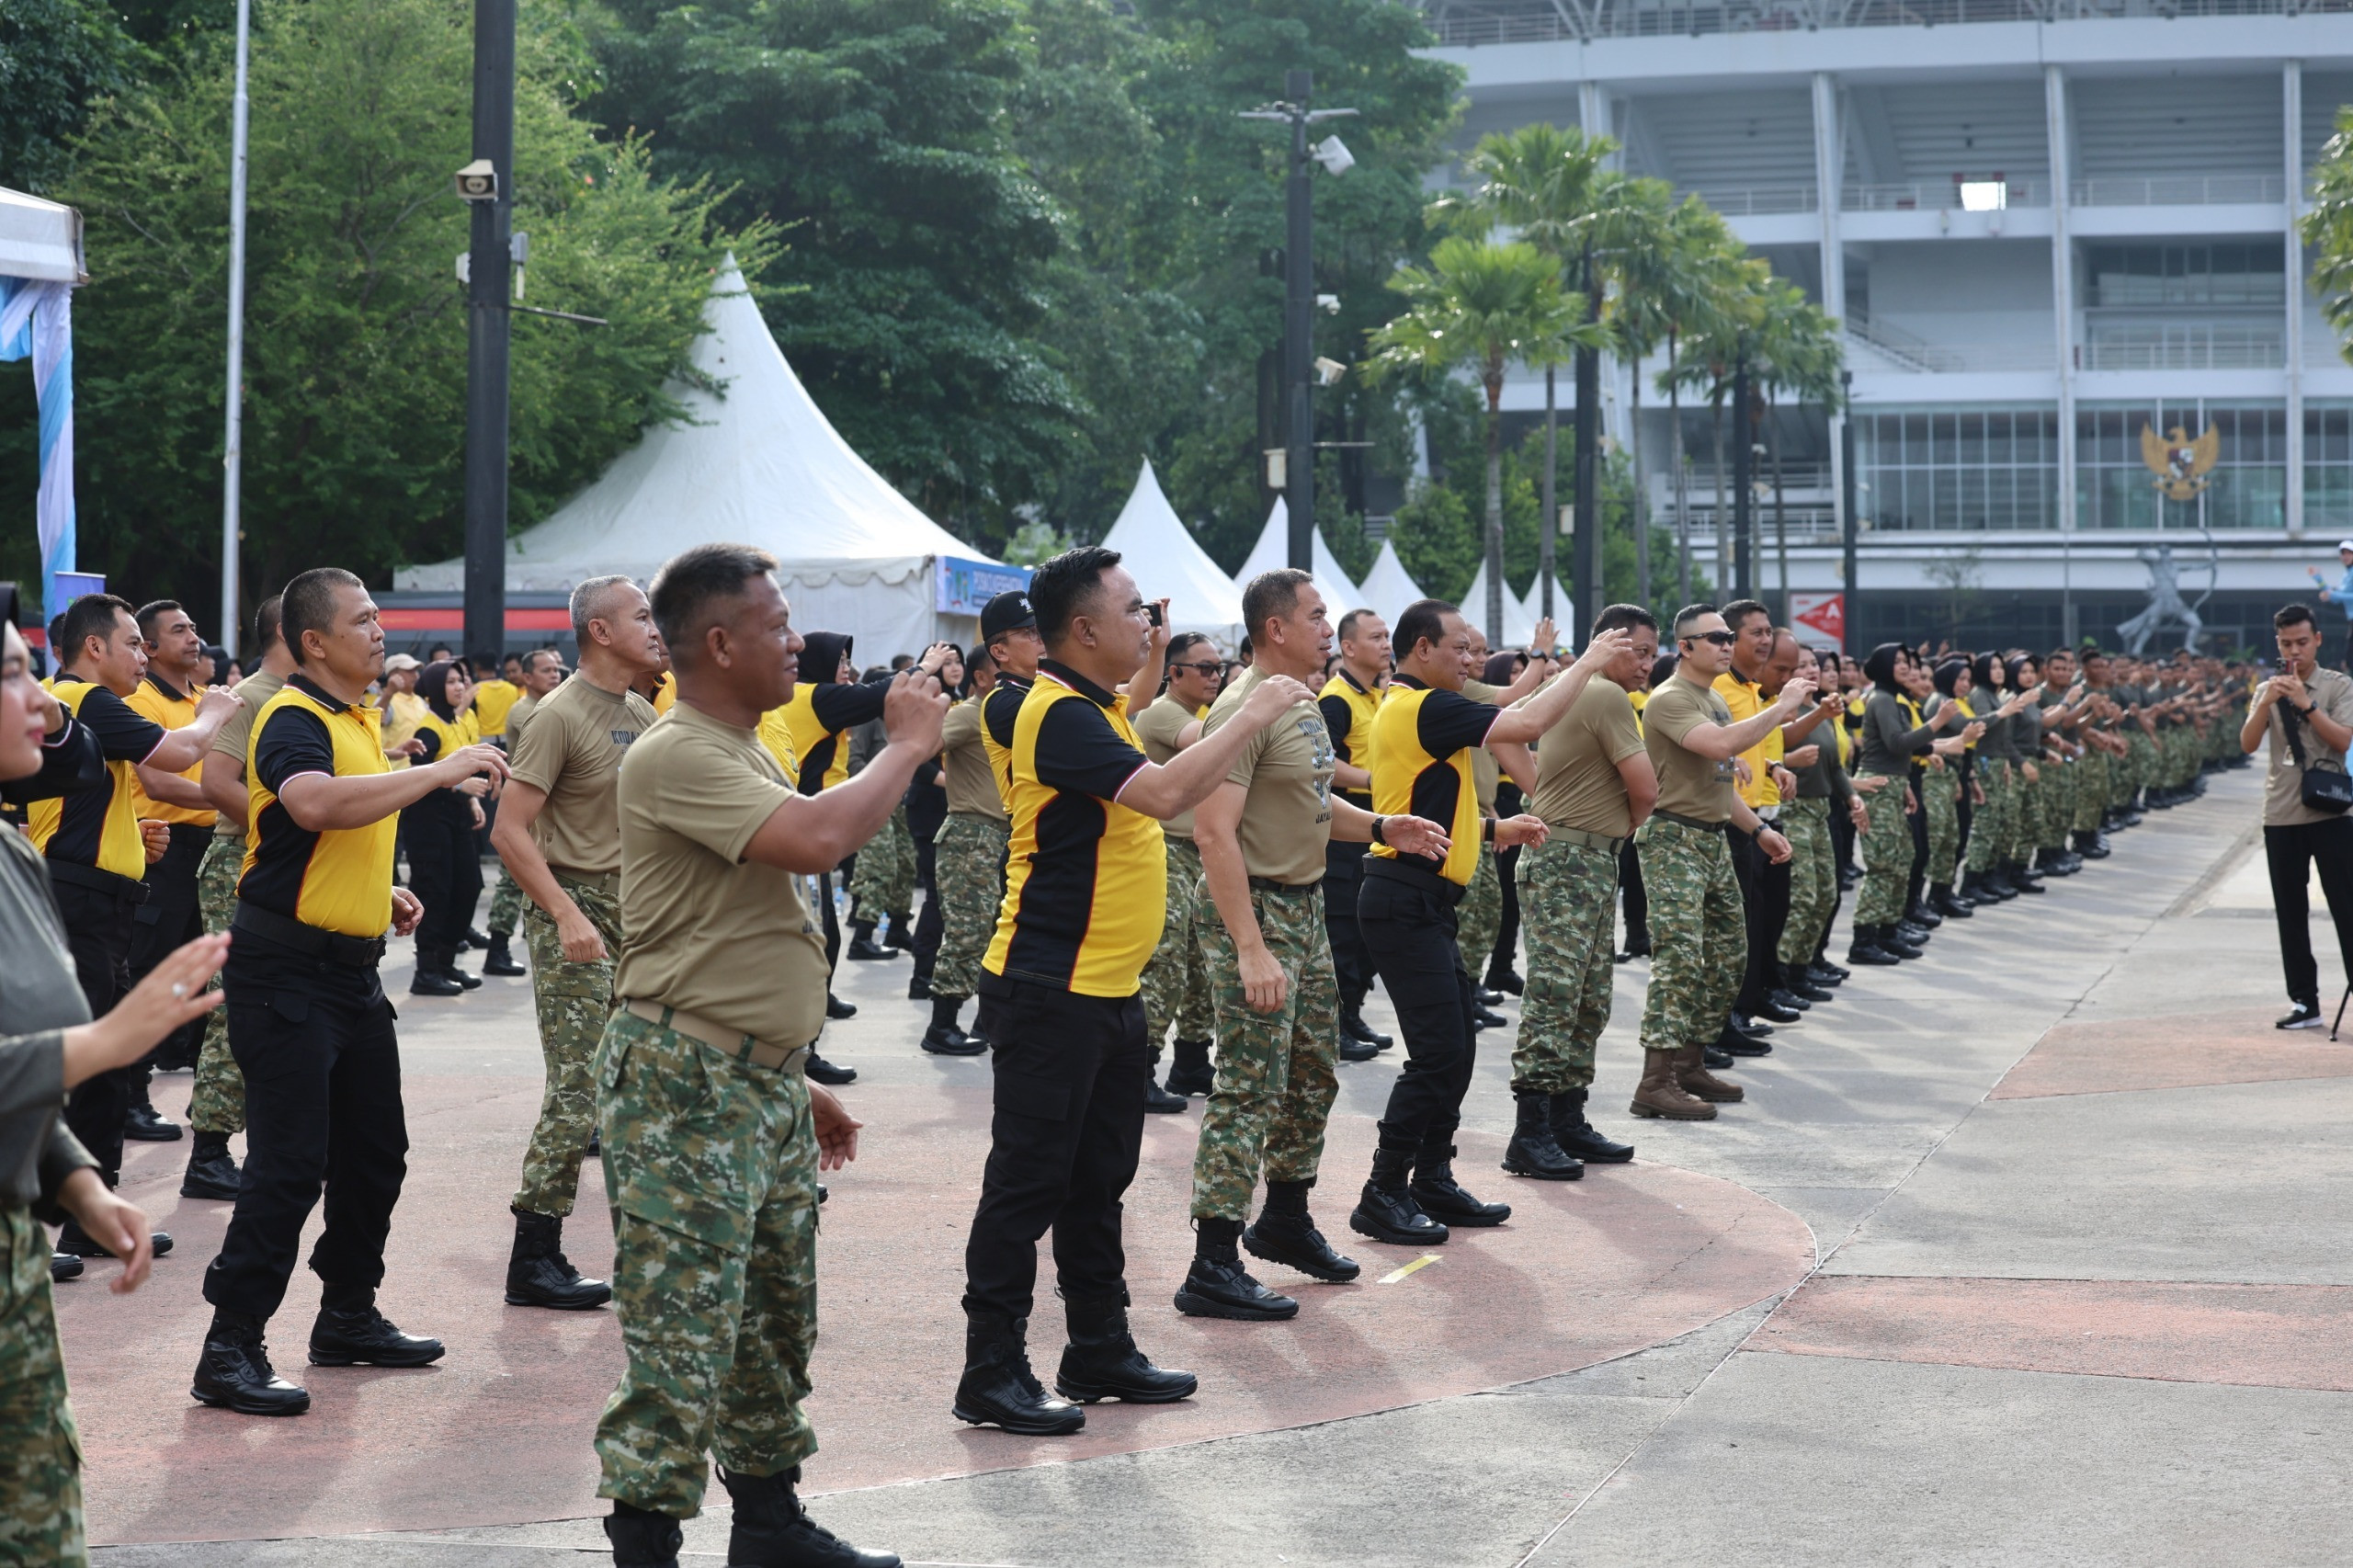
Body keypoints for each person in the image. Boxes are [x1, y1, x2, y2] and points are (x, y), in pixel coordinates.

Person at [593, 544, 925, 1568]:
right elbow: (818, 840)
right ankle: (646, 1542)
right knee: (682, 1326)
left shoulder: (742, 745)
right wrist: (905, 745)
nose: (798, 642)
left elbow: (736, 928)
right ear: (722, 642)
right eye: (779, 625)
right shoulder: (675, 749)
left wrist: (794, 1071)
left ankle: (771, 1525)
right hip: (686, 1085)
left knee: (774, 1319)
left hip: (752, 1079)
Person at [951, 546, 1307, 1437]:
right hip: (1047, 987)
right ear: (1084, 628)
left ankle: (1098, 1345)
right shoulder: (1055, 711)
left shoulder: (1097, 706)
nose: (1148, 624)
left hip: (1107, 988)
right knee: (1025, 1185)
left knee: (1097, 1179)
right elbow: (1165, 793)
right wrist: (1254, 707)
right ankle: (988, 1368)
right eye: (1132, 610)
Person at [195, 567, 511, 1417]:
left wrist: (382, 894)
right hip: (282, 978)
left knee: (375, 1154)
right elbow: (312, 804)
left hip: (349, 975)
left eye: (378, 618)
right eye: (363, 620)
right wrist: (442, 773)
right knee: (290, 1164)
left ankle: (347, 1317)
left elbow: (341, 832)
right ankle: (229, 1347)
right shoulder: (292, 714)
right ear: (313, 643)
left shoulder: (354, 718)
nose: (380, 632)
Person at [0, 613, 227, 1566]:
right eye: (13, 678)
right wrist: (98, 1042)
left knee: (42, 1527)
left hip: (13, 1249)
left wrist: (75, 1182)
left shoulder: (11, 853)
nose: (43, 703)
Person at [1176, 571, 1449, 1322]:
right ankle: (1212, 1261)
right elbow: (1212, 831)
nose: (1328, 629)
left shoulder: (1298, 702)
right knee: (1248, 1085)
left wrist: (1382, 825)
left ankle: (1285, 1219)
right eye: (1318, 616)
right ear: (1275, 628)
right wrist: (1249, 948)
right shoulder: (1242, 708)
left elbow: (1308, 798)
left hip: (1303, 908)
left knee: (1309, 1075)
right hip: (1255, 908)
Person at [1346, 600, 1623, 1246]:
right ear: (1421, 650)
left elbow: (1429, 812)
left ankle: (1432, 1177)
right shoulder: (1426, 707)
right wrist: (1587, 661)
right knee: (1438, 1052)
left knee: (1457, 1045)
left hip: (1420, 899)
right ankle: (1383, 1190)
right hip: (1401, 898)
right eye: (1460, 650)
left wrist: (1499, 827)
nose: (1471, 661)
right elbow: (1525, 720)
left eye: (1475, 651)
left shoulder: (1414, 708)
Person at [32, 593, 240, 1258]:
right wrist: (214, 711)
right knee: (92, 1062)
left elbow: (94, 799)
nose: (142, 656)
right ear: (95, 648)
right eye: (133, 643)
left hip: (92, 897)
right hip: (78, 902)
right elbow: (179, 755)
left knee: (100, 1060)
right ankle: (78, 1218)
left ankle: (88, 1215)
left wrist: (130, 836)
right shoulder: (83, 697)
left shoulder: (76, 703)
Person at [488, 577, 664, 1312]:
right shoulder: (558, 716)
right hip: (577, 909)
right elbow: (509, 829)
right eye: (643, 616)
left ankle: (650, 1250)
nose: (656, 629)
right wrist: (563, 913)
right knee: (582, 1085)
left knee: (645, 1082)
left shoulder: (644, 711)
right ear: (599, 630)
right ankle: (535, 1253)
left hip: (636, 911)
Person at [1629, 606, 1805, 1120]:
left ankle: (1690, 1062)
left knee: (1729, 952)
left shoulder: (1712, 701)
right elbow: (1722, 746)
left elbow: (1720, 781)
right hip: (1673, 838)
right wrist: (1785, 705)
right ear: (1685, 648)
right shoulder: (1670, 700)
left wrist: (1760, 829)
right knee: (1680, 957)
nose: (1728, 645)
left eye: (1730, 637)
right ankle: (1654, 1082)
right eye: (1716, 638)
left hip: (1711, 839)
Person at [761, 631, 956, 1081]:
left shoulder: (808, 698)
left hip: (811, 833)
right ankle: (799, 1051)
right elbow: (879, 694)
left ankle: (802, 1044)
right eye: (841, 660)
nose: (847, 668)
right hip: (801, 835)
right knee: (817, 941)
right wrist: (925, 667)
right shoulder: (813, 698)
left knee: (821, 939)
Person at [1505, 603, 1657, 1176]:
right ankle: (1532, 1131)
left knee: (1585, 997)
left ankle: (1566, 1121)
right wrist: (1630, 819)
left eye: (1651, 652)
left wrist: (1543, 791)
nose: (1646, 663)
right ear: (1607, 644)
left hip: (1576, 858)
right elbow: (1644, 788)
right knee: (1558, 995)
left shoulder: (1573, 691)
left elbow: (1502, 735)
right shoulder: (1605, 695)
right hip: (1571, 861)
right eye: (1637, 650)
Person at [185, 595, 301, 1202]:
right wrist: (276, 833)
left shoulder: (306, 700)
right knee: (235, 1007)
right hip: (240, 860)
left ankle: (269, 1143)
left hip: (283, 864)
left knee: (281, 1007)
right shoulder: (250, 697)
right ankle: (209, 1149)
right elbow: (216, 784)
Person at [119, 599, 222, 1135]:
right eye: (178, 630)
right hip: (161, 848)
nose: (193, 637)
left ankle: (206, 1104)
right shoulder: (140, 700)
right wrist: (227, 802)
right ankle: (131, 1097)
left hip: (207, 844)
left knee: (208, 975)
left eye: (194, 626)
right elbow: (158, 781)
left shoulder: (208, 700)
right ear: (150, 647)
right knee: (148, 973)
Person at [2243, 603, 2353, 1030]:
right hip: (2282, 813)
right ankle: (2305, 1001)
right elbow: (2248, 744)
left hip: (2331, 811)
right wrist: (2264, 702)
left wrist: (2306, 704)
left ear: (2318, 640)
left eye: (2302, 642)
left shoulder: (2337, 685)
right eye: (2286, 643)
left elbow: (2342, 742)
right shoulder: (2266, 688)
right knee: (2291, 912)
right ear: (2277, 642)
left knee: (2346, 906)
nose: (2295, 651)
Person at [1133, 631, 1224, 1109]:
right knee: (1165, 963)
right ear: (1174, 673)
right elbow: (1210, 743)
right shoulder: (1166, 712)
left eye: (1219, 668)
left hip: (1197, 851)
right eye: (1205, 668)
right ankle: (1140, 1069)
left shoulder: (1200, 713)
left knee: (1200, 964)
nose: (1215, 676)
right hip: (1167, 849)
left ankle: (1191, 1060)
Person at [1316, 609, 1393, 1056]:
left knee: (1368, 932)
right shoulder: (1336, 698)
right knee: (1344, 930)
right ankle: (1335, 1027)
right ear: (1348, 647)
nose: (1386, 644)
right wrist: (1372, 780)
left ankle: (1353, 1014)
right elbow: (1322, 764)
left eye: (1387, 636)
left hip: (1375, 824)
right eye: (1376, 637)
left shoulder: (1375, 696)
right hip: (1345, 826)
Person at [924, 643, 1006, 1057]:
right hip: (971, 835)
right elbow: (923, 746)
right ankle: (942, 1026)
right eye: (999, 668)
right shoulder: (968, 714)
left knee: (996, 934)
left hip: (999, 837)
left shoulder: (999, 714)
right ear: (981, 677)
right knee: (966, 933)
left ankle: (983, 1022)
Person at [1777, 643, 1872, 997]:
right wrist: (1790, 759)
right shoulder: (1783, 712)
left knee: (1826, 894)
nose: (1813, 670)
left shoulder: (1821, 711)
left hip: (1821, 810)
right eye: (1803, 665)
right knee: (1803, 896)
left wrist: (1852, 796)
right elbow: (1763, 756)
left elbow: (1834, 768)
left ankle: (1804, 967)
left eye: (1815, 665)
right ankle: (1783, 975)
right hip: (1794, 809)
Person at [400, 659, 495, 996]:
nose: (459, 686)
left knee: (468, 888)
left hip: (455, 816)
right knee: (435, 890)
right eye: (451, 681)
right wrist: (460, 789)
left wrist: (468, 800)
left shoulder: (457, 720)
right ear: (437, 686)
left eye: (462, 680)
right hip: (428, 819)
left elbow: (461, 772)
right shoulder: (428, 727)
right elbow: (421, 772)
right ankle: (426, 971)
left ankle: (446, 962)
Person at [481, 647, 570, 980]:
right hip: (527, 810)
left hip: (546, 809)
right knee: (510, 880)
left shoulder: (551, 706)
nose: (554, 674)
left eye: (556, 668)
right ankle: (497, 948)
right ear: (527, 677)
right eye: (545, 670)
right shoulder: (527, 711)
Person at [2309, 541, 2353, 670]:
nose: (2346, 556)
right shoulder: (2347, 575)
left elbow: (2337, 596)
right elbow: (2336, 598)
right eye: (2343, 553)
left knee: (2350, 658)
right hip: (2351, 621)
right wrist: (2319, 580)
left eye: (2349, 553)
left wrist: (2332, 595)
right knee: (2349, 658)